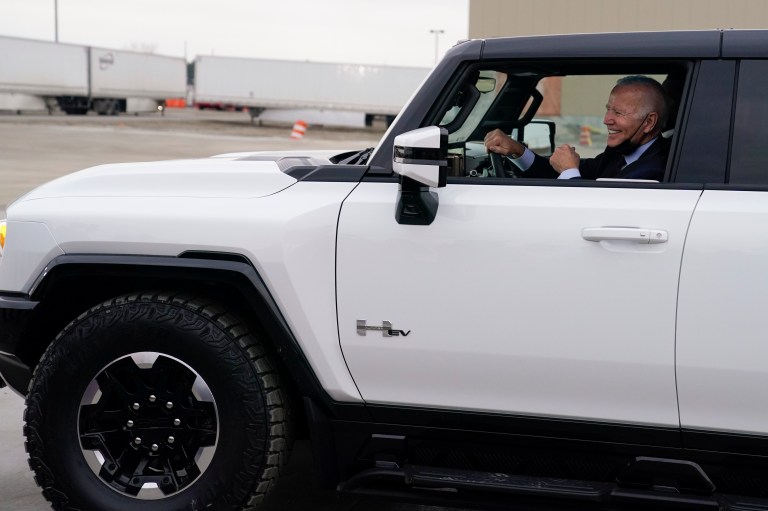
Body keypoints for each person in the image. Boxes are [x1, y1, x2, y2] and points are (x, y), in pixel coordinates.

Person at [484, 75, 670, 181]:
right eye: (608, 109)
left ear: (649, 122)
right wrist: (517, 151)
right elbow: (556, 171)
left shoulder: (655, 170)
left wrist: (569, 171)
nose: (606, 120)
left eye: (619, 113)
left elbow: (594, 213)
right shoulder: (619, 153)